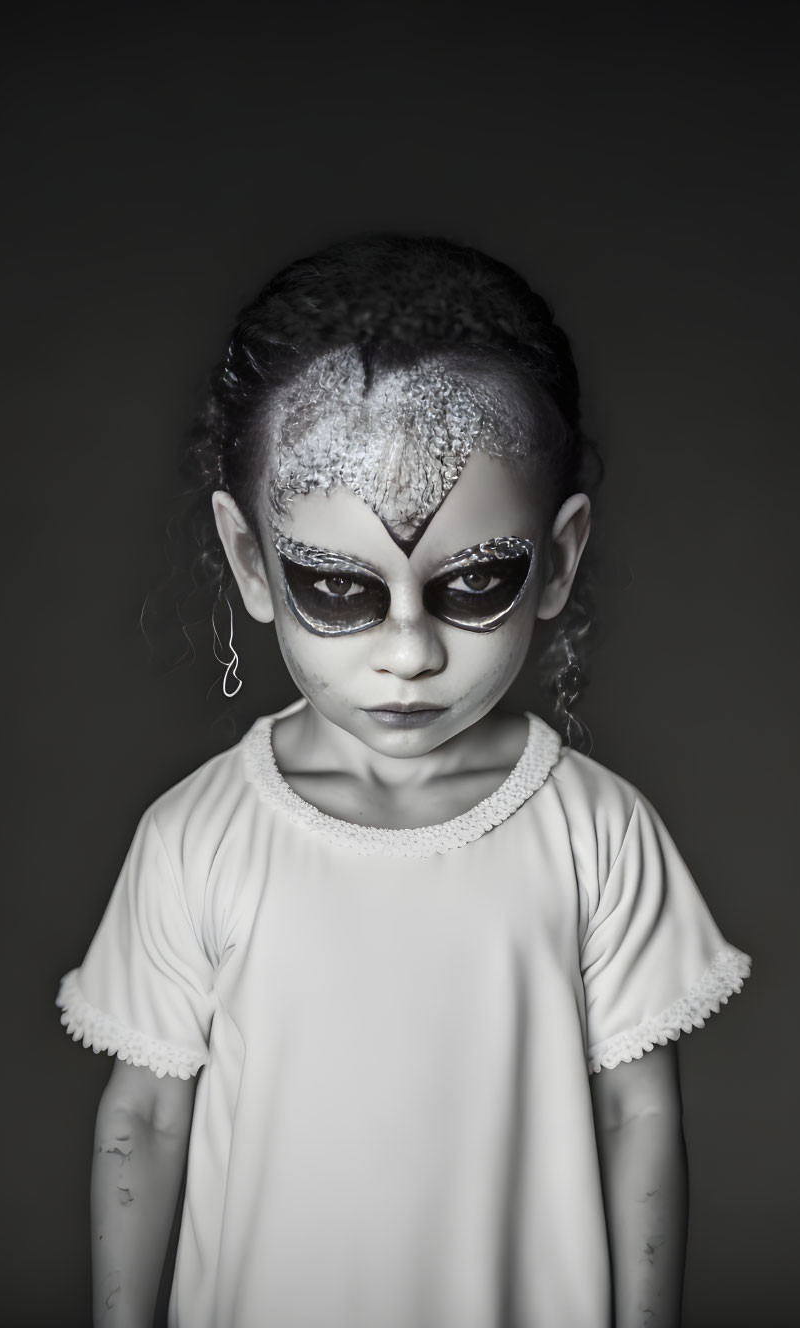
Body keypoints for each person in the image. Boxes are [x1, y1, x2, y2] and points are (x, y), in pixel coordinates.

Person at [57, 234, 750, 1328]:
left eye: (474, 581)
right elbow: (142, 1118)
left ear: (559, 559)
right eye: (338, 588)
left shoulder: (595, 832)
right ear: (250, 561)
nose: (409, 651)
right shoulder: (197, 837)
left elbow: (636, 1119)